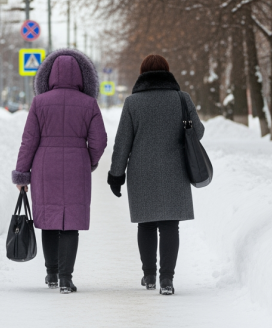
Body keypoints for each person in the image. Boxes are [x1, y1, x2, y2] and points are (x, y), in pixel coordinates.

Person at [107, 54, 204, 296]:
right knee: (171, 225)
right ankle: (167, 280)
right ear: (167, 71)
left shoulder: (132, 103)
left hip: (141, 171)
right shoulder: (182, 99)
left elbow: (122, 143)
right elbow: (198, 132)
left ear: (142, 74)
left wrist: (116, 174)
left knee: (146, 224)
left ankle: (149, 276)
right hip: (175, 169)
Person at [12, 48, 107, 294]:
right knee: (70, 224)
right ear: (82, 76)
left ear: (49, 75)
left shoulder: (39, 102)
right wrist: (90, 160)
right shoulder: (89, 103)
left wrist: (23, 173)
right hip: (77, 166)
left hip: (45, 166)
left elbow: (29, 140)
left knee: (50, 221)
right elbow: (100, 140)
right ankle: (66, 278)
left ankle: (51, 273)